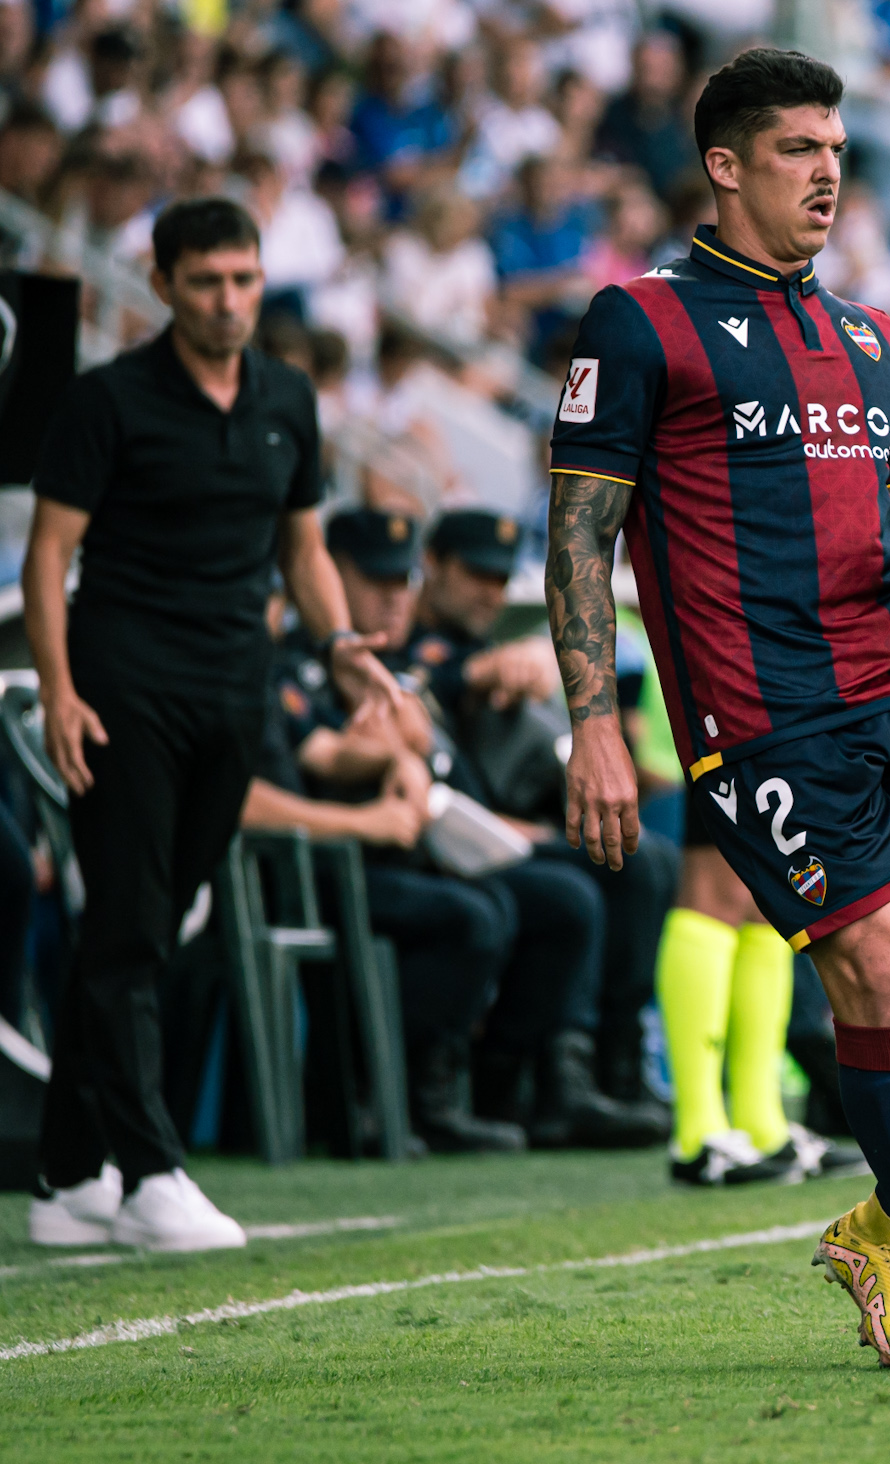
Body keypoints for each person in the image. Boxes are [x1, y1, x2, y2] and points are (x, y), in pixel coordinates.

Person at [544, 48, 890, 1374]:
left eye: (838, 148)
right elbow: (576, 538)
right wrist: (598, 721)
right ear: (724, 167)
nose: (830, 171)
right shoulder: (638, 322)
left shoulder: (874, 338)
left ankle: (881, 1224)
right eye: (798, 149)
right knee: (882, 970)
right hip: (765, 714)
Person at [21, 197, 398, 1251]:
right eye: (206, 282)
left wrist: (334, 644)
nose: (229, 301)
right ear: (163, 283)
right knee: (135, 922)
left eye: (243, 279)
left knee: (152, 920)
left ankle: (63, 1171)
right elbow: (50, 554)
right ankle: (149, 1171)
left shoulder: (288, 396)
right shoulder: (109, 399)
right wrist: (57, 688)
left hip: (237, 683)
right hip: (123, 683)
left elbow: (305, 549)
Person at [241, 560, 526, 1155]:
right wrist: (362, 823)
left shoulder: (268, 676)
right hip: (263, 875)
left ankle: (422, 1095)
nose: (267, 609)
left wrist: (398, 759)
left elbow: (320, 752)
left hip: (312, 863)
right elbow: (238, 803)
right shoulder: (229, 678)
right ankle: (368, 1096)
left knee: (488, 904)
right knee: (467, 917)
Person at [408, 508, 673, 1143]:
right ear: (433, 566)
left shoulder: (478, 649)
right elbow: (406, 674)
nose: (489, 592)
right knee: (577, 888)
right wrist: (475, 674)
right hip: (438, 840)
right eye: (475, 574)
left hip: (497, 833)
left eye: (500, 580)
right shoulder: (419, 648)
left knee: (643, 858)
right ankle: (551, 1079)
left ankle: (611, 1063)